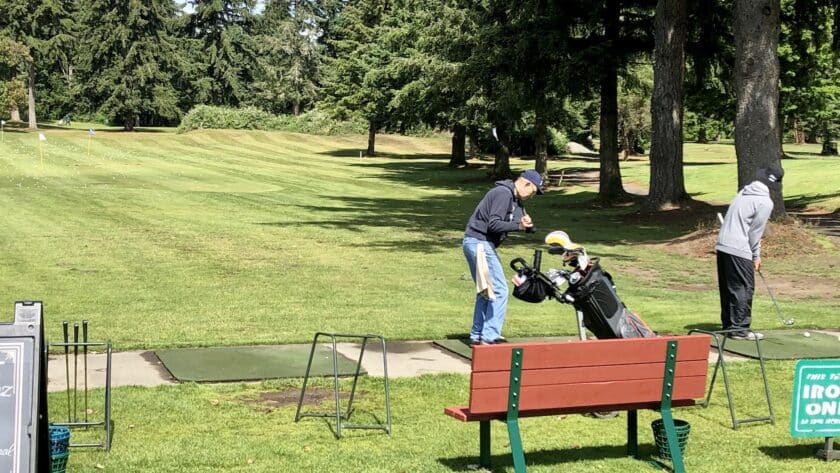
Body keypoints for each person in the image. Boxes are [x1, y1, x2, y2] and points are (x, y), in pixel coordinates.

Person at [463, 169, 543, 345]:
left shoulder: (515, 199)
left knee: (486, 291)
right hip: (479, 243)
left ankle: (477, 334)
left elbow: (519, 222)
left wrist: (526, 225)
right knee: (500, 290)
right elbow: (494, 224)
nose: (532, 196)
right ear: (525, 183)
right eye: (533, 191)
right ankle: (489, 336)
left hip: (476, 243)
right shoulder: (503, 193)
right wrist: (519, 227)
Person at [716, 164, 784, 340]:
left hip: (723, 245)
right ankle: (740, 329)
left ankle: (729, 326)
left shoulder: (743, 193)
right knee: (744, 287)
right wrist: (756, 255)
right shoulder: (765, 202)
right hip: (739, 248)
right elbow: (755, 232)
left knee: (729, 287)